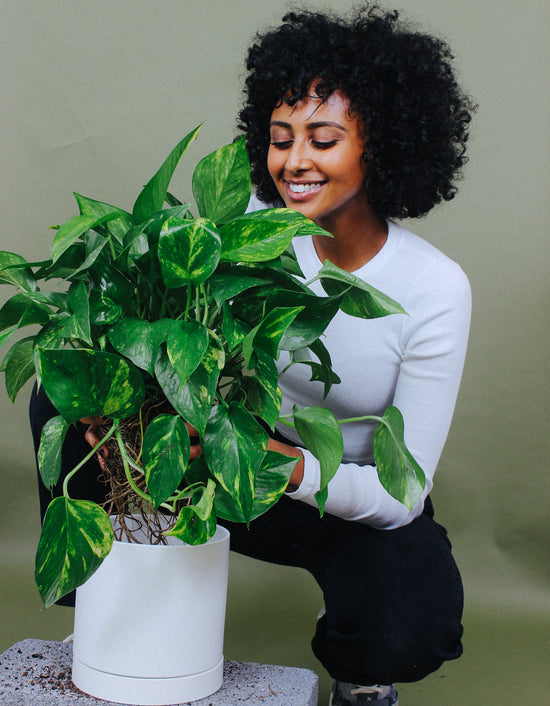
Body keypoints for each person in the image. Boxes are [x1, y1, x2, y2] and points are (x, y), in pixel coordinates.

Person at [30, 6, 475, 705]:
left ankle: (360, 674)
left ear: (381, 145)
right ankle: (101, 602)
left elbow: (401, 496)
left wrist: (277, 461)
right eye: (279, 138)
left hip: (336, 495)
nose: (294, 161)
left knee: (409, 611)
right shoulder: (245, 238)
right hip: (214, 469)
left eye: (322, 139)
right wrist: (116, 422)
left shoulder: (433, 288)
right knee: (65, 390)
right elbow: (169, 352)